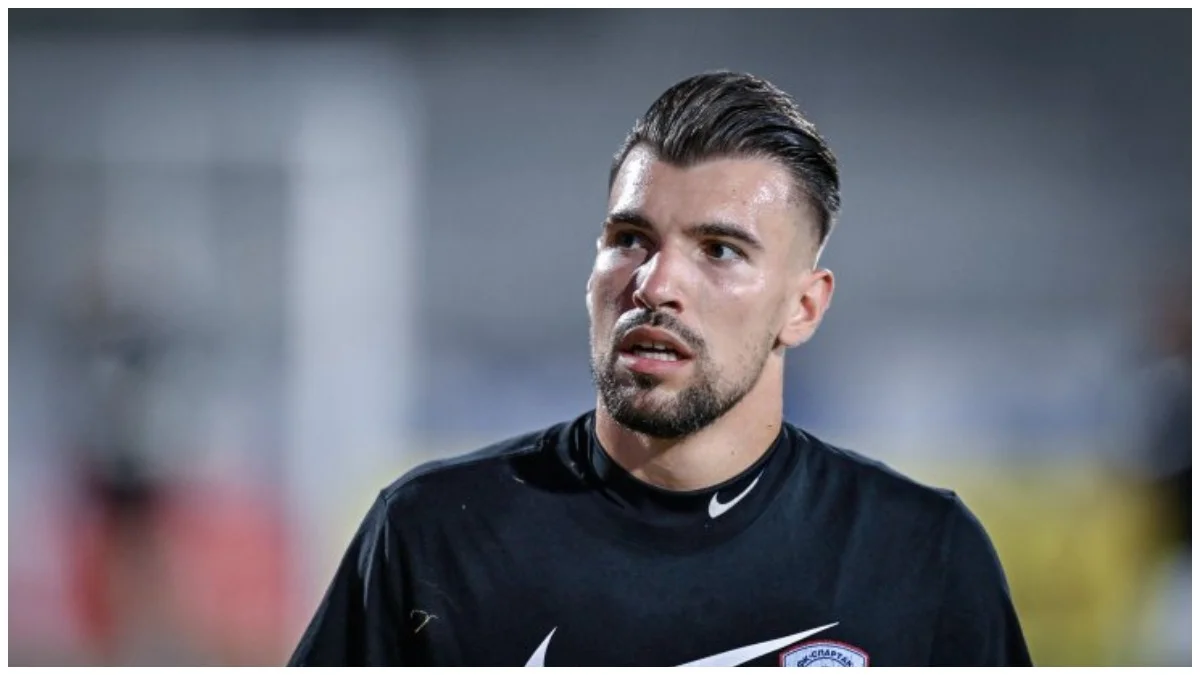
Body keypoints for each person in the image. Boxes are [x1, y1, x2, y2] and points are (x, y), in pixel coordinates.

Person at [288, 71, 1033, 667]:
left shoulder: (921, 553)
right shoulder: (432, 534)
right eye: (630, 238)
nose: (654, 283)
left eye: (719, 250)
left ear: (803, 307)